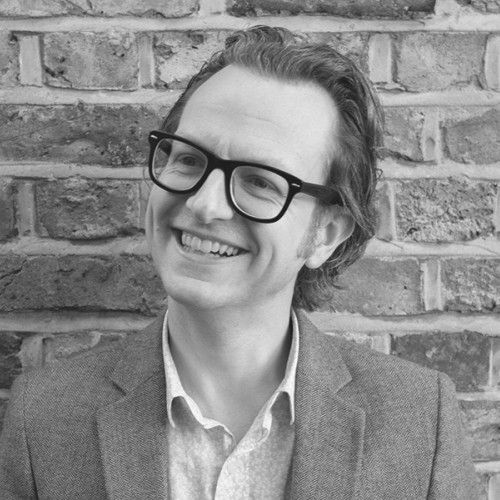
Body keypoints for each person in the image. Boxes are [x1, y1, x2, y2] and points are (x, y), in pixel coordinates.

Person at [0, 26, 475, 499]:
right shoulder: (43, 417)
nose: (205, 205)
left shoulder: (418, 423)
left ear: (326, 235)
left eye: (260, 181)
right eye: (189, 160)